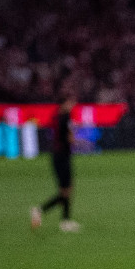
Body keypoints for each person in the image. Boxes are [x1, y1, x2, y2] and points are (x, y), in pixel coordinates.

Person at [31, 95, 80, 233]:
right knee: (66, 190)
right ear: (65, 103)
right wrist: (81, 142)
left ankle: (64, 220)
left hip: (56, 155)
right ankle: (43, 211)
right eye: (70, 103)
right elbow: (70, 137)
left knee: (65, 190)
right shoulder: (66, 117)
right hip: (63, 156)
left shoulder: (56, 116)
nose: (72, 105)